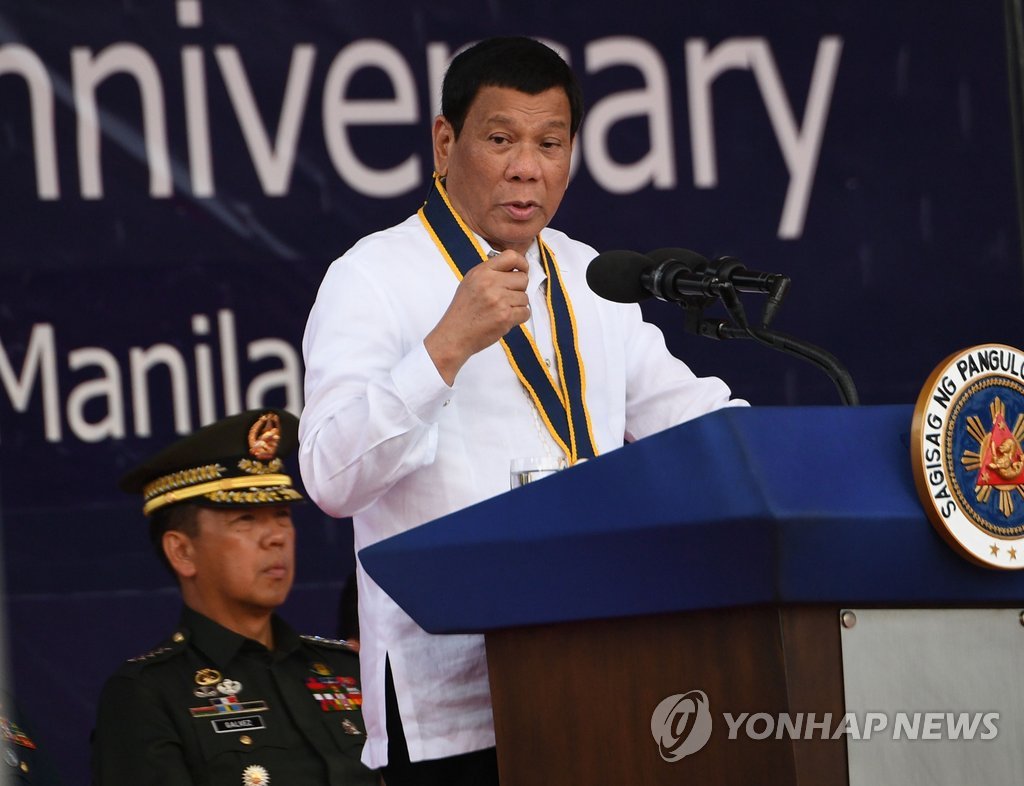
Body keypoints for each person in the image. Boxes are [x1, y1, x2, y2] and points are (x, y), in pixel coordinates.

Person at [298, 36, 746, 785]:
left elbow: (696, 419)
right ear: (445, 142)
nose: (526, 167)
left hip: (599, 667)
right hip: (452, 703)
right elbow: (330, 476)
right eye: (500, 139)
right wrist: (443, 348)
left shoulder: (587, 274)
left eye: (551, 143)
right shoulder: (371, 278)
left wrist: (786, 456)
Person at [91, 409, 378, 786]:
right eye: (245, 519)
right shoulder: (146, 694)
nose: (275, 536)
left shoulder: (348, 669)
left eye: (280, 514)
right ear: (182, 552)